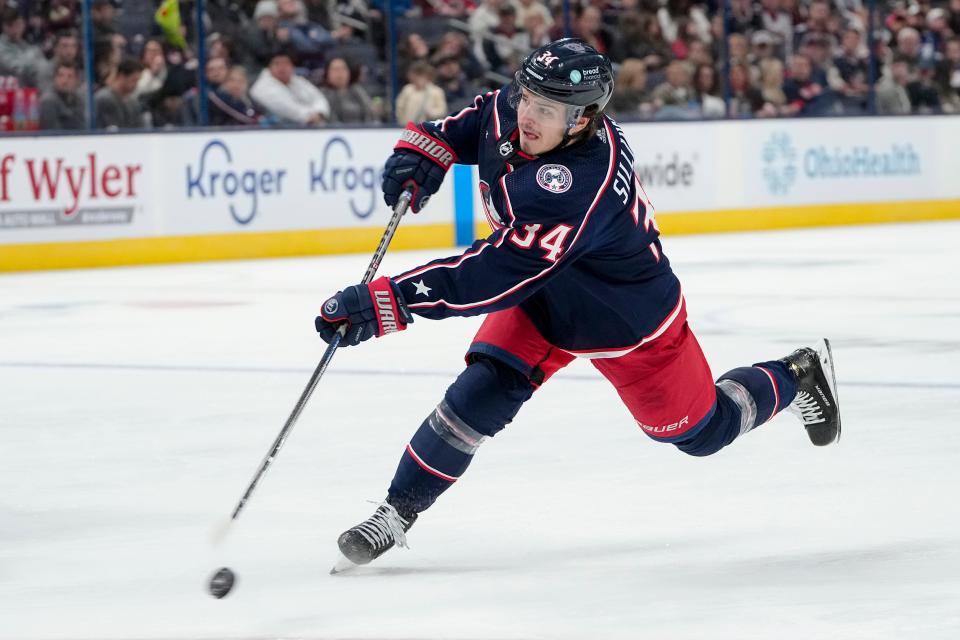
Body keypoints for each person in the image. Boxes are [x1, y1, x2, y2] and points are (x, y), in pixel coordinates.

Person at [315, 38, 842, 571]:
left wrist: (389, 301)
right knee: (474, 399)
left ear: (582, 119)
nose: (526, 115)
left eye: (545, 109)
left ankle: (794, 375)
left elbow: (489, 272)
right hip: (543, 301)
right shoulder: (526, 107)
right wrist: (427, 147)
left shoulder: (576, 184)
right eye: (526, 97)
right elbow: (479, 121)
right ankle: (396, 513)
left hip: (627, 321)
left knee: (703, 432)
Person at [249, 49, 330, 125]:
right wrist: (309, 116)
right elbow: (286, 108)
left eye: (286, 63)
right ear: (269, 67)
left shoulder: (298, 81)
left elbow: (319, 98)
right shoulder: (262, 87)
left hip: (309, 124)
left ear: (292, 67)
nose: (282, 68)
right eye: (277, 64)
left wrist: (320, 113)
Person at [94, 56, 145, 130]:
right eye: (133, 80)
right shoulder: (104, 99)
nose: (136, 85)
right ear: (121, 76)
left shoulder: (133, 102)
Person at [39, 61, 85, 131]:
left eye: (70, 77)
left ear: (77, 81)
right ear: (54, 78)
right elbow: (53, 135)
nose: (64, 81)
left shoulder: (79, 101)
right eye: (60, 76)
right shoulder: (48, 102)